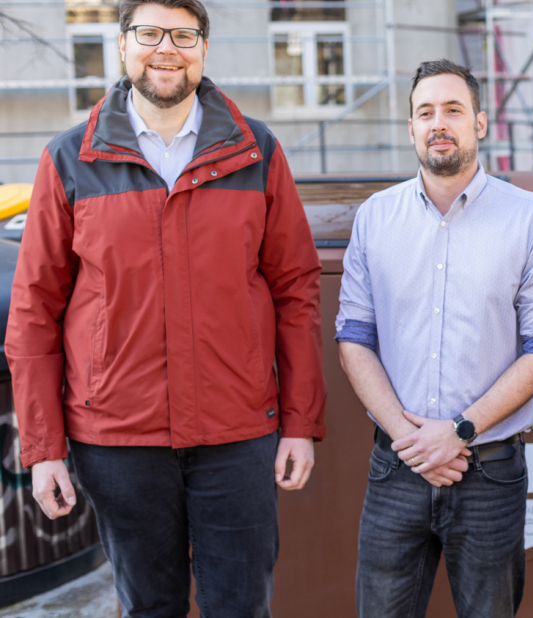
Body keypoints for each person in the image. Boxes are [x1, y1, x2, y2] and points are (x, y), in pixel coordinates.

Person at [6, 0, 326, 614]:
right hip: (118, 439)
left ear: (203, 47)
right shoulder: (70, 159)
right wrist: (43, 449)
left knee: (241, 607)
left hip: (237, 433)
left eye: (183, 35)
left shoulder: (256, 150)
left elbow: (295, 290)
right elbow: (33, 312)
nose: (166, 49)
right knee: (149, 608)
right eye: (149, 33)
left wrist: (300, 423)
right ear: (123, 44)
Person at [335, 58, 533, 618]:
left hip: (490, 472)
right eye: (426, 112)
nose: (438, 123)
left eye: (453, 110)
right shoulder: (375, 218)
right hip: (397, 466)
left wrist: (460, 431)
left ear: (480, 123)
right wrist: (413, 441)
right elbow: (354, 339)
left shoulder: (530, 219)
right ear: (411, 128)